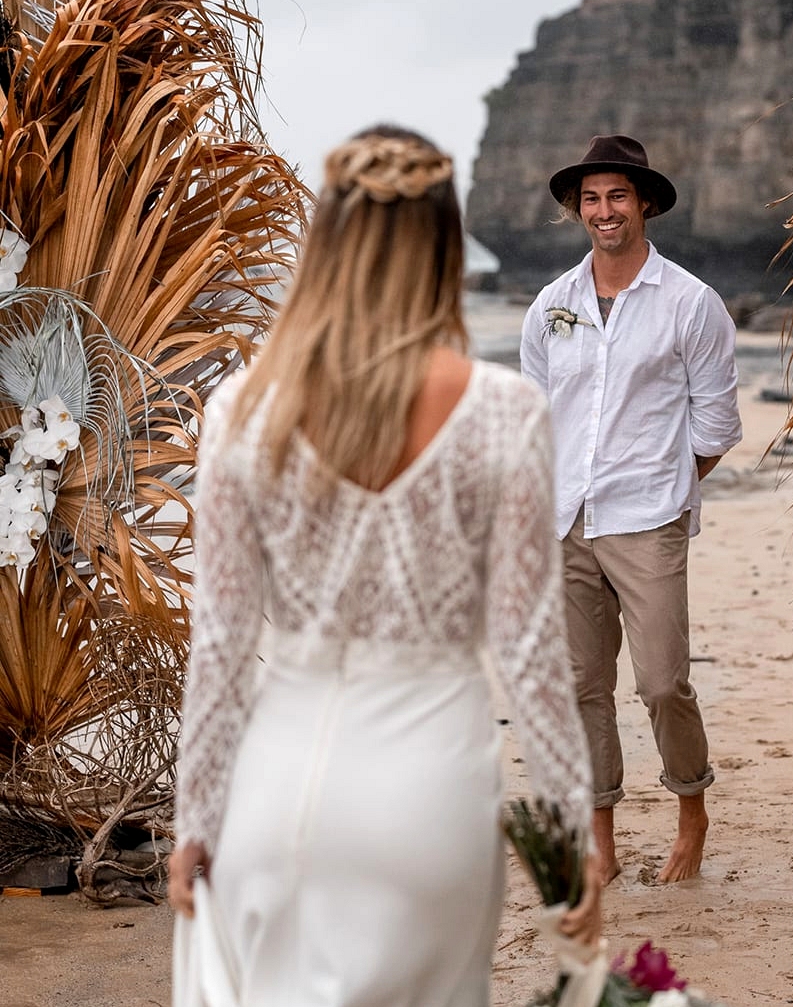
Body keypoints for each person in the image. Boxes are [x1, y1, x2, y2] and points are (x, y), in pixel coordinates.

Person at [168, 125, 600, 1007]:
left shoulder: (241, 413)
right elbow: (528, 651)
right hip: (426, 798)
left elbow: (217, 644)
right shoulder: (503, 413)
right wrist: (570, 833)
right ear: (447, 245)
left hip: (275, 789)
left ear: (324, 244)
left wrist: (195, 819)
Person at [520, 135, 742, 886]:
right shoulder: (552, 305)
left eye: (617, 195)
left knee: (659, 683)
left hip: (647, 520)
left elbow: (714, 425)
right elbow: (536, 414)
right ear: (575, 209)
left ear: (643, 203)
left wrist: (667, 487)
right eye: (589, 198)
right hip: (564, 522)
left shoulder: (690, 303)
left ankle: (691, 812)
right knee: (583, 686)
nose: (603, 210)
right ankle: (600, 840)